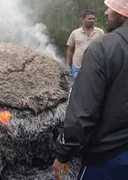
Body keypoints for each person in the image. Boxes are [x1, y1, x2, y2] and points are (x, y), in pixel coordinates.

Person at [53, 0, 128, 179]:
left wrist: (65, 152)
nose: (106, 13)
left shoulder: (104, 47)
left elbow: (83, 110)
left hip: (110, 156)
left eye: (111, 8)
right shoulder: (93, 41)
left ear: (123, 13)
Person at [66, 9, 105, 78]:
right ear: (82, 19)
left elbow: (105, 49)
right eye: (89, 19)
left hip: (95, 69)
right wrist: (67, 65)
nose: (92, 20)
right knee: (77, 87)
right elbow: (70, 50)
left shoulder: (100, 32)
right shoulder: (75, 33)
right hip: (77, 68)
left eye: (93, 19)